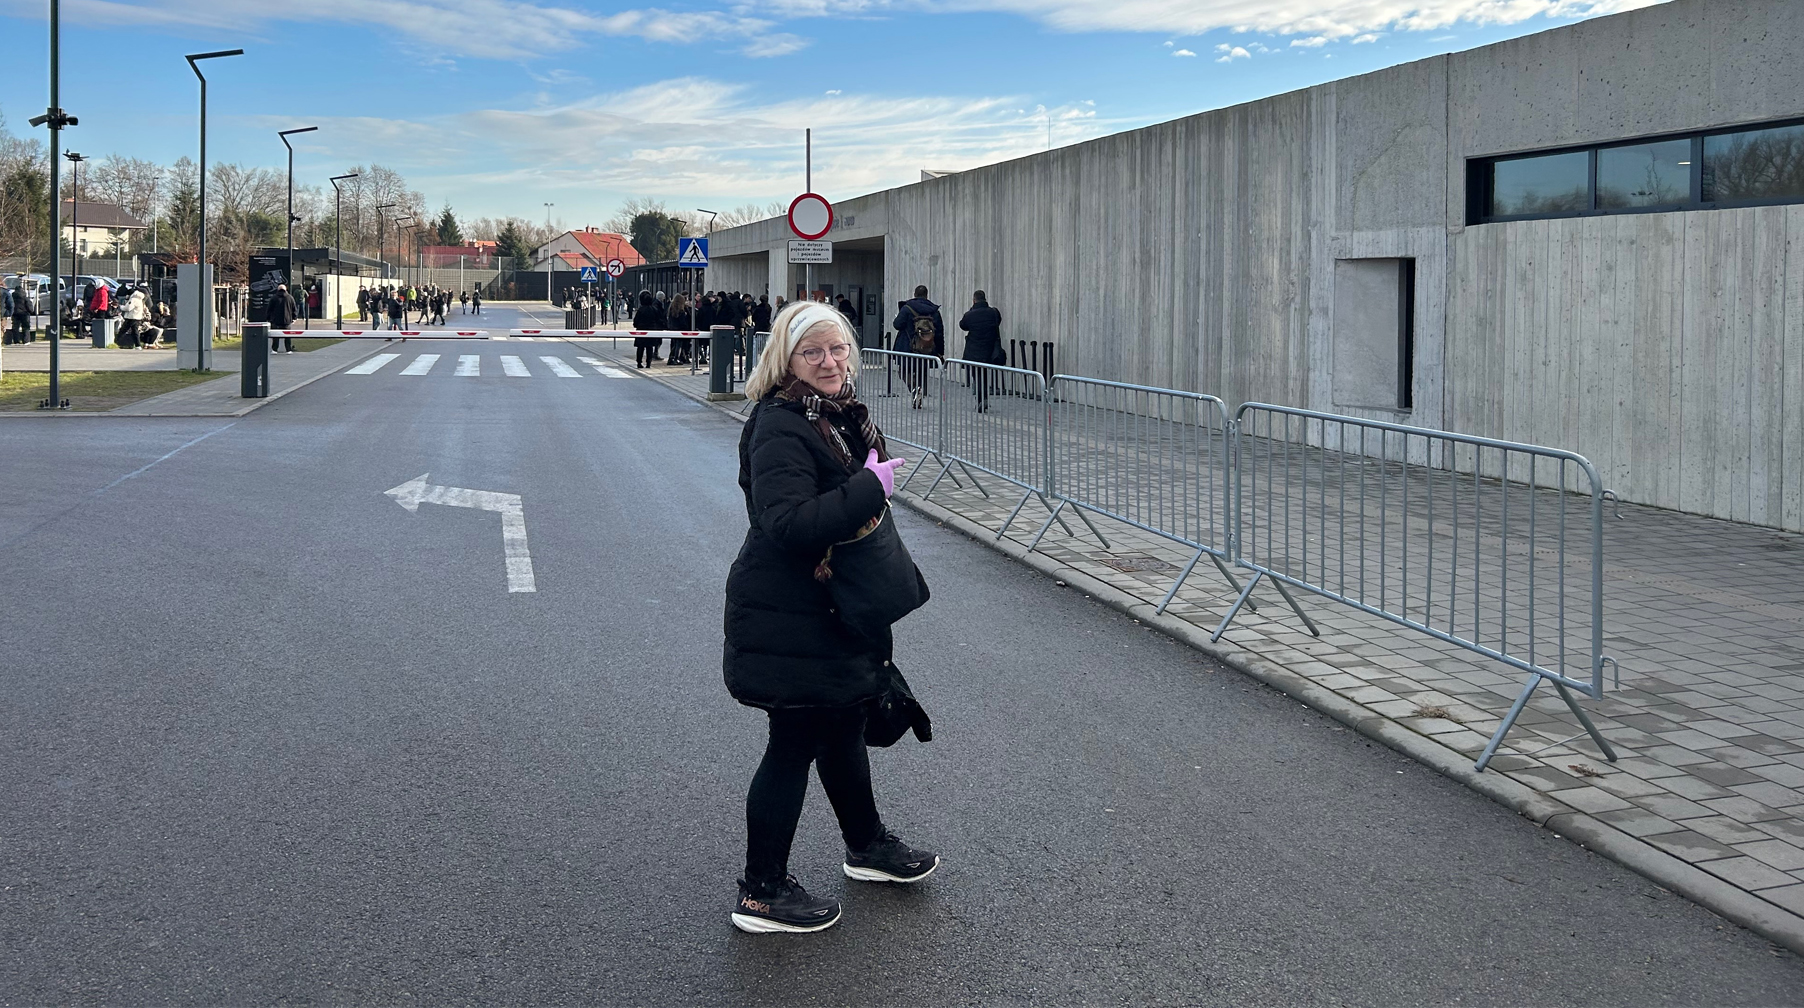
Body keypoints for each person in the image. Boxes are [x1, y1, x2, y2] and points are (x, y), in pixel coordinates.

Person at [724, 300, 938, 935]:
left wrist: (865, 484)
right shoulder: (781, 425)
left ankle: (866, 845)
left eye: (838, 348)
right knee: (793, 743)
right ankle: (761, 891)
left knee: (844, 726)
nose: (829, 362)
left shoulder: (839, 416)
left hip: (832, 609)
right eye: (811, 352)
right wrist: (870, 488)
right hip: (790, 615)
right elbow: (785, 523)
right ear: (785, 360)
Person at [892, 286, 945, 409]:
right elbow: (939, 332)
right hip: (926, 348)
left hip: (907, 347)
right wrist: (940, 352)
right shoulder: (934, 311)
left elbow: (897, 325)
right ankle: (918, 394)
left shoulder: (907, 308)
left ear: (914, 294)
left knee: (904, 372)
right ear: (926, 295)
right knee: (921, 371)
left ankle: (914, 389)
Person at [958, 289, 1004, 412]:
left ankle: (980, 400)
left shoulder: (970, 315)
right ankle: (983, 398)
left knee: (977, 375)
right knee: (984, 375)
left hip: (974, 350)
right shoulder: (994, 312)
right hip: (990, 349)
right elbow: (997, 322)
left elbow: (963, 325)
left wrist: (972, 310)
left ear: (974, 300)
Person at [631, 291, 664, 368]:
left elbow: (636, 321)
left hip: (641, 330)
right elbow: (658, 319)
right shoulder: (654, 309)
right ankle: (648, 363)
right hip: (651, 330)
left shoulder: (640, 310)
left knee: (640, 347)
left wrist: (636, 325)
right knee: (649, 347)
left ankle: (639, 362)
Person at [269, 283, 298, 352]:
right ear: (286, 289)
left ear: (278, 289)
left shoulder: (274, 298)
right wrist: (294, 318)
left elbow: (269, 309)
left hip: (276, 320)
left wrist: (269, 318)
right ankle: (288, 349)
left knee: (275, 336)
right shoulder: (290, 298)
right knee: (287, 336)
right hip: (287, 320)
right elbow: (294, 308)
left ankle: (274, 349)